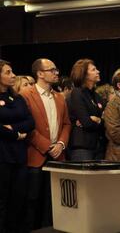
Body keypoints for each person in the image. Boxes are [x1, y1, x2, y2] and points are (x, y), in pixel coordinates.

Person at [20, 58, 71, 230]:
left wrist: (61, 144)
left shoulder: (59, 97)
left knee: (54, 201)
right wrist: (49, 146)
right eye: (52, 70)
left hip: (58, 156)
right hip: (36, 155)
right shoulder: (26, 95)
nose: (56, 73)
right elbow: (27, 127)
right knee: (33, 200)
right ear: (40, 74)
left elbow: (66, 124)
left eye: (56, 70)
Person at [0, 60, 35, 233]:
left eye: (12, 72)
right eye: (8, 72)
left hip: (19, 156)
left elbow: (30, 122)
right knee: (2, 200)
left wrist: (13, 128)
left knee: (18, 198)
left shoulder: (17, 97)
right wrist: (15, 135)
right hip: (2, 156)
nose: (13, 75)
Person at [68, 59, 105, 161]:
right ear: (84, 75)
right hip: (82, 148)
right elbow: (87, 123)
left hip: (98, 146)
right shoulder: (77, 93)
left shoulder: (97, 96)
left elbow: (106, 121)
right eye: (93, 70)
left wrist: (98, 120)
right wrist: (98, 121)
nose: (98, 71)